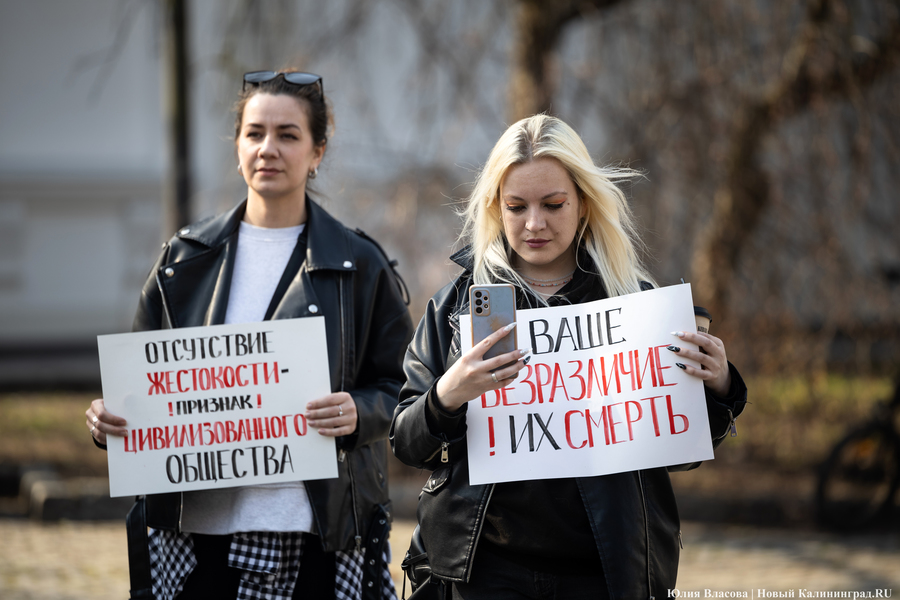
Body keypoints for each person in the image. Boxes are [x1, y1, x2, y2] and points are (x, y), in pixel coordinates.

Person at [86, 70, 413, 600]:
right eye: (255, 133)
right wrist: (108, 421)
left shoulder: (360, 265)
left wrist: (360, 412)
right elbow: (141, 386)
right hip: (195, 536)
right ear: (237, 146)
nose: (269, 148)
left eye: (288, 135)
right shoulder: (183, 259)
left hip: (313, 537)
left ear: (317, 152)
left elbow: (406, 390)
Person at [390, 114, 748, 599]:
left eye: (553, 204)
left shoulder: (634, 304)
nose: (534, 223)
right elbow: (407, 442)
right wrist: (447, 395)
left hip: (603, 574)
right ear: (496, 208)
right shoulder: (459, 305)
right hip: (483, 573)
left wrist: (719, 384)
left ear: (583, 204)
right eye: (516, 206)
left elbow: (679, 449)